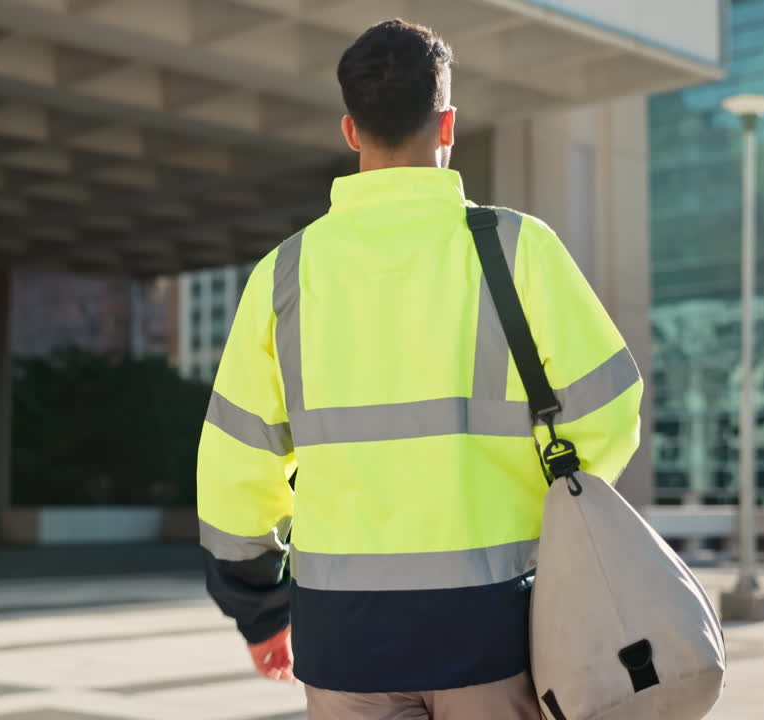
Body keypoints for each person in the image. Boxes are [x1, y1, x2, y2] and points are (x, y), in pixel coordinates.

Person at [197, 18, 642, 720]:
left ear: (351, 131)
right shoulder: (519, 250)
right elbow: (610, 413)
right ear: (449, 124)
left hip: (345, 638)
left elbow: (237, 471)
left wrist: (258, 608)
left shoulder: (284, 275)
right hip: (499, 629)